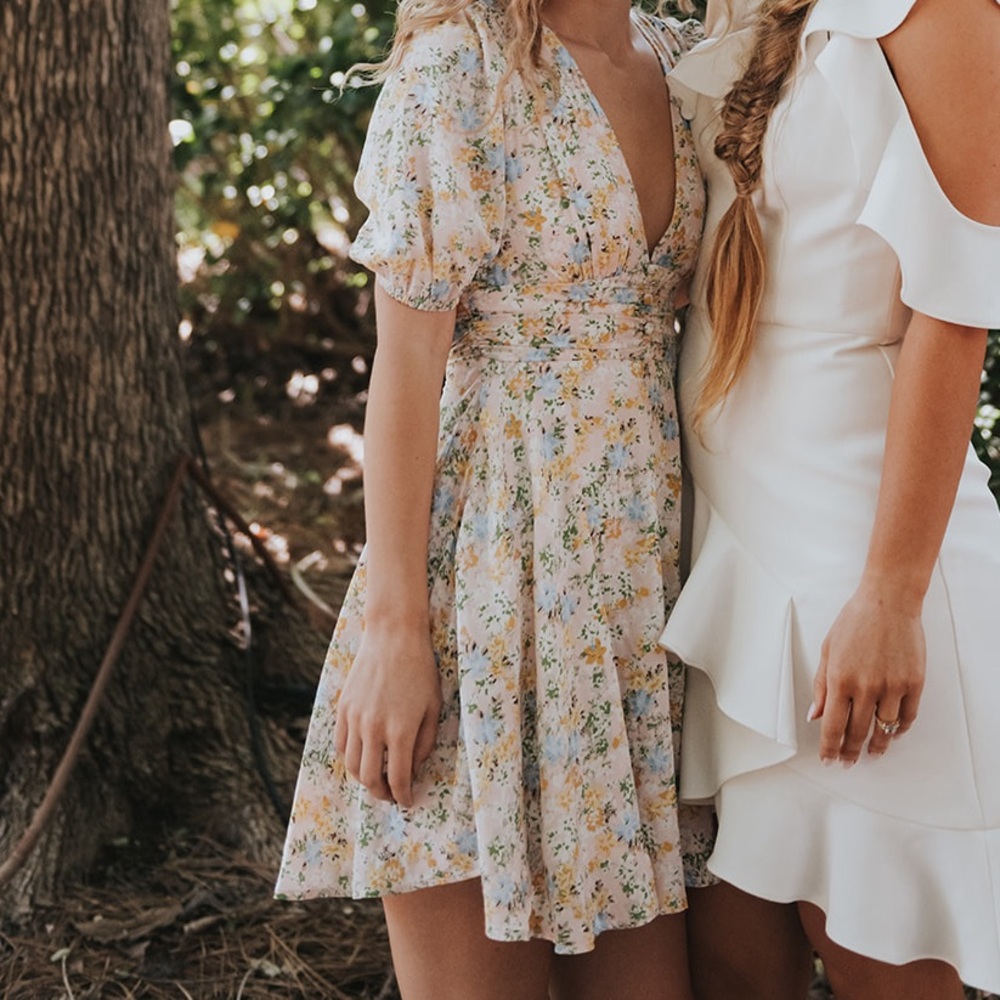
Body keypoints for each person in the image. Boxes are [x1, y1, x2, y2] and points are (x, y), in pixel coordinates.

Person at [275, 1, 715, 997]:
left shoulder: (683, 61)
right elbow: (405, 366)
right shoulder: (458, 70)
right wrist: (396, 628)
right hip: (486, 573)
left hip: (639, 591)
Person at [661, 0, 1000, 996]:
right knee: (733, 957)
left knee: (874, 949)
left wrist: (889, 594)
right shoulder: (747, 8)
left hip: (864, 559)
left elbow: (957, 311)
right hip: (737, 559)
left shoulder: (939, 16)